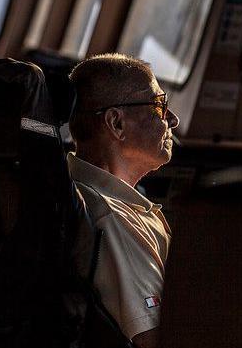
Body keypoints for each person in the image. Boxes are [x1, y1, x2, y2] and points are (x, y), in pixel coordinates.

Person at [67, 53, 179, 348]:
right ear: (116, 123)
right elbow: (154, 339)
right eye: (159, 106)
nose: (173, 120)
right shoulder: (110, 218)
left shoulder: (83, 192)